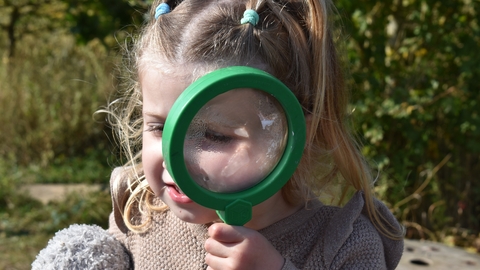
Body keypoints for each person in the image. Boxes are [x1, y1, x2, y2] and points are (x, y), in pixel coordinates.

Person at [105, 0, 404, 269]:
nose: (175, 157)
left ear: (292, 136)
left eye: (214, 136)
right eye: (159, 128)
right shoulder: (138, 218)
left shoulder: (345, 245)